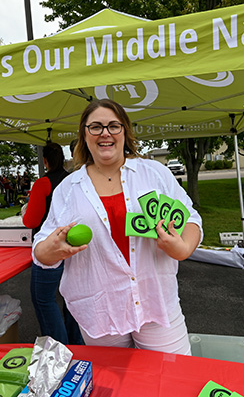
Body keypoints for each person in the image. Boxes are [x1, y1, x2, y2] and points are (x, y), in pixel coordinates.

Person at [33, 99, 203, 355]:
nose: (105, 133)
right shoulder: (68, 189)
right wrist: (54, 249)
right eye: (96, 127)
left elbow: (191, 219)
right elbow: (41, 251)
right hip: (100, 312)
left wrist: (183, 248)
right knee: (116, 385)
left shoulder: (154, 173)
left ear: (125, 132)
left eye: (114, 126)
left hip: (156, 304)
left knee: (172, 380)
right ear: (84, 135)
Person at [23, 142, 83, 345]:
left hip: (51, 247)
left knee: (44, 299)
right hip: (76, 245)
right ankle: (77, 344)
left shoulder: (43, 183)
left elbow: (31, 221)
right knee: (71, 297)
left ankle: (59, 348)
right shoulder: (74, 180)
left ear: (45, 161)